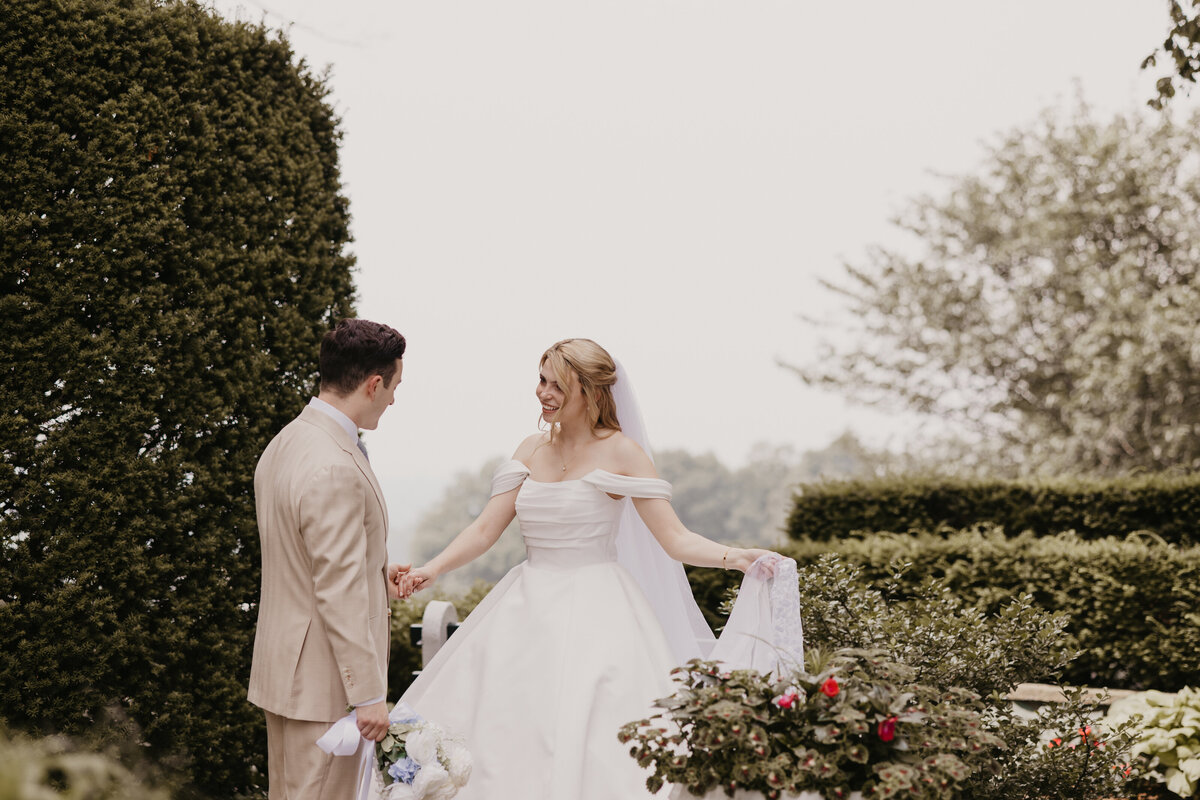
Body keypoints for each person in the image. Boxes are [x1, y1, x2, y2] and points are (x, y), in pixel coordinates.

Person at [397, 338, 778, 799]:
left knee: (595, 730)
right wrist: (433, 568)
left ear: (591, 392)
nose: (543, 392)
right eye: (541, 380)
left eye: (558, 385)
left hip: (600, 613)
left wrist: (736, 557)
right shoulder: (530, 449)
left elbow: (675, 539)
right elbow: (483, 530)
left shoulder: (623, 453)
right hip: (523, 609)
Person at [248, 318, 411, 800]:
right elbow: (337, 591)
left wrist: (376, 572)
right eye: (394, 387)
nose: (393, 401)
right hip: (325, 688)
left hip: (288, 676)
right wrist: (368, 695)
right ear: (373, 384)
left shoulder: (287, 441)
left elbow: (302, 555)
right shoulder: (335, 464)